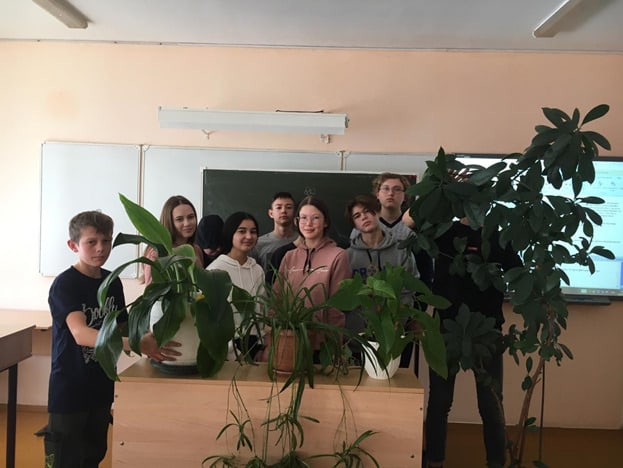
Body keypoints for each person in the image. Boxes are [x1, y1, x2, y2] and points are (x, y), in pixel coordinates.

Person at [46, 211, 179, 468]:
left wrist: (153, 336)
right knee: (65, 458)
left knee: (93, 455)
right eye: (91, 242)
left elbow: (123, 328)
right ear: (73, 245)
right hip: (70, 388)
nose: (101, 248)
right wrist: (136, 343)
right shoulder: (65, 284)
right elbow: (81, 334)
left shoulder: (113, 282)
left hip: (102, 385)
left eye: (106, 241)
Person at [404, 213, 521, 468]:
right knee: (440, 401)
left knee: (491, 403)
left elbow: (519, 273)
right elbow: (407, 224)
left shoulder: (498, 235)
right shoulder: (444, 231)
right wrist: (438, 193)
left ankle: (496, 462)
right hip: (446, 328)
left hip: (487, 330)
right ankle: (435, 460)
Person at [276, 196, 351, 356]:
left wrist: (333, 349)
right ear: (296, 221)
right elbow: (277, 298)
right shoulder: (289, 256)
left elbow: (337, 307)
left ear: (325, 222)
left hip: (321, 346)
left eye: (315, 218)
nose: (308, 223)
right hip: (289, 342)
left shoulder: (338, 255)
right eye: (303, 218)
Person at [344, 195, 418, 342]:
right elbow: (346, 296)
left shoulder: (402, 252)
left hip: (394, 330)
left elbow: (409, 291)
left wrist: (398, 319)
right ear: (354, 225)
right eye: (357, 216)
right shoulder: (347, 256)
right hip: (358, 333)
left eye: (367, 211)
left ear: (378, 212)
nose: (364, 217)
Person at [206, 212, 265, 358]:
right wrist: (232, 352)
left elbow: (262, 310)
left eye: (253, 232)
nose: (249, 236)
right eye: (242, 231)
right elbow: (210, 319)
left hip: (255, 346)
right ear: (230, 234)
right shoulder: (215, 271)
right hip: (226, 349)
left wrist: (261, 346)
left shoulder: (257, 270)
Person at [143, 195, 204, 285]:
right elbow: (152, 291)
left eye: (190, 217)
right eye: (179, 219)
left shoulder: (196, 249)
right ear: (170, 221)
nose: (187, 223)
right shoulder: (156, 254)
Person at [251, 192, 298, 271]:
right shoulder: (258, 244)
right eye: (279, 207)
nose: (283, 211)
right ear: (271, 213)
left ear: (295, 212)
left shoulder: (303, 241)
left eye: (289, 207)